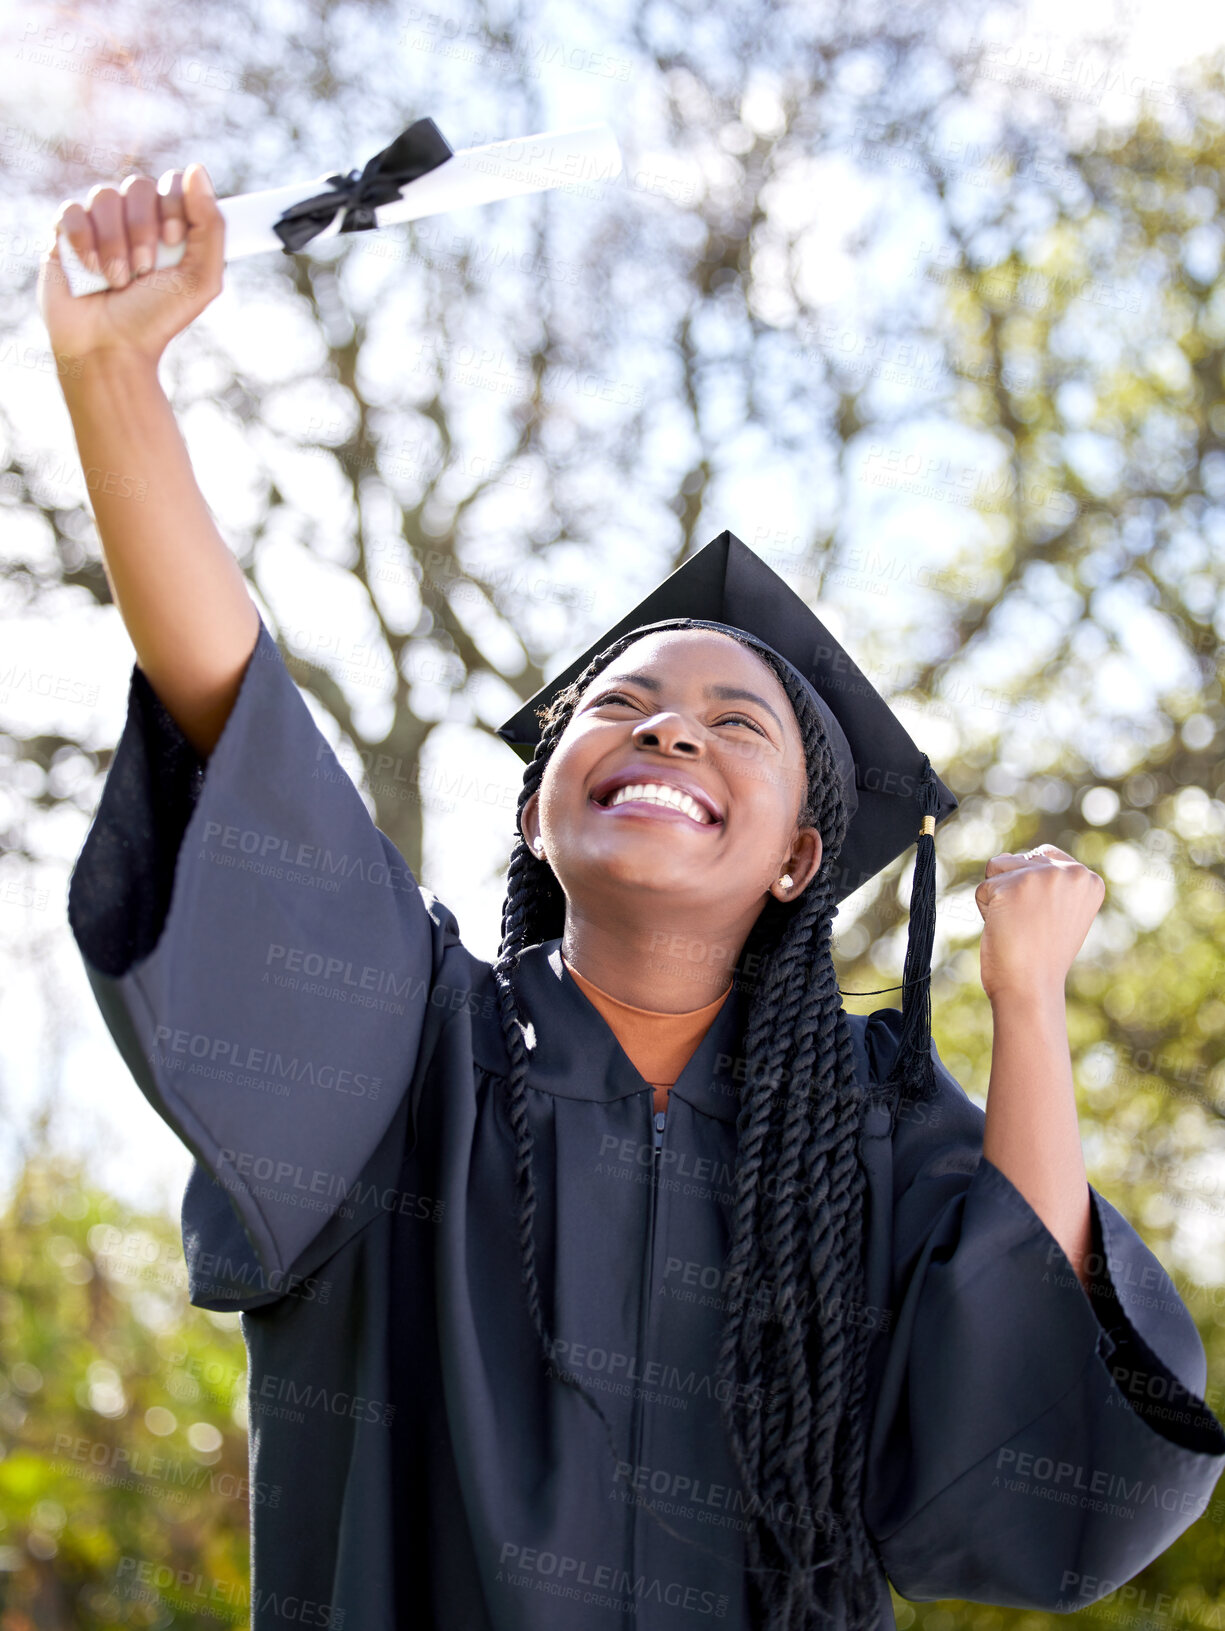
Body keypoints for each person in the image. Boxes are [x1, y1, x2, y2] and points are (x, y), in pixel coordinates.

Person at [38, 168, 1225, 1631]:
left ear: (801, 851)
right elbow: (241, 728)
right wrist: (113, 376)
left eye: (738, 725)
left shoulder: (851, 1130)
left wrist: (1023, 1002)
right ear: (541, 809)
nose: (671, 730)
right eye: (624, 704)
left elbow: (1012, 1368)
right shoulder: (414, 1059)